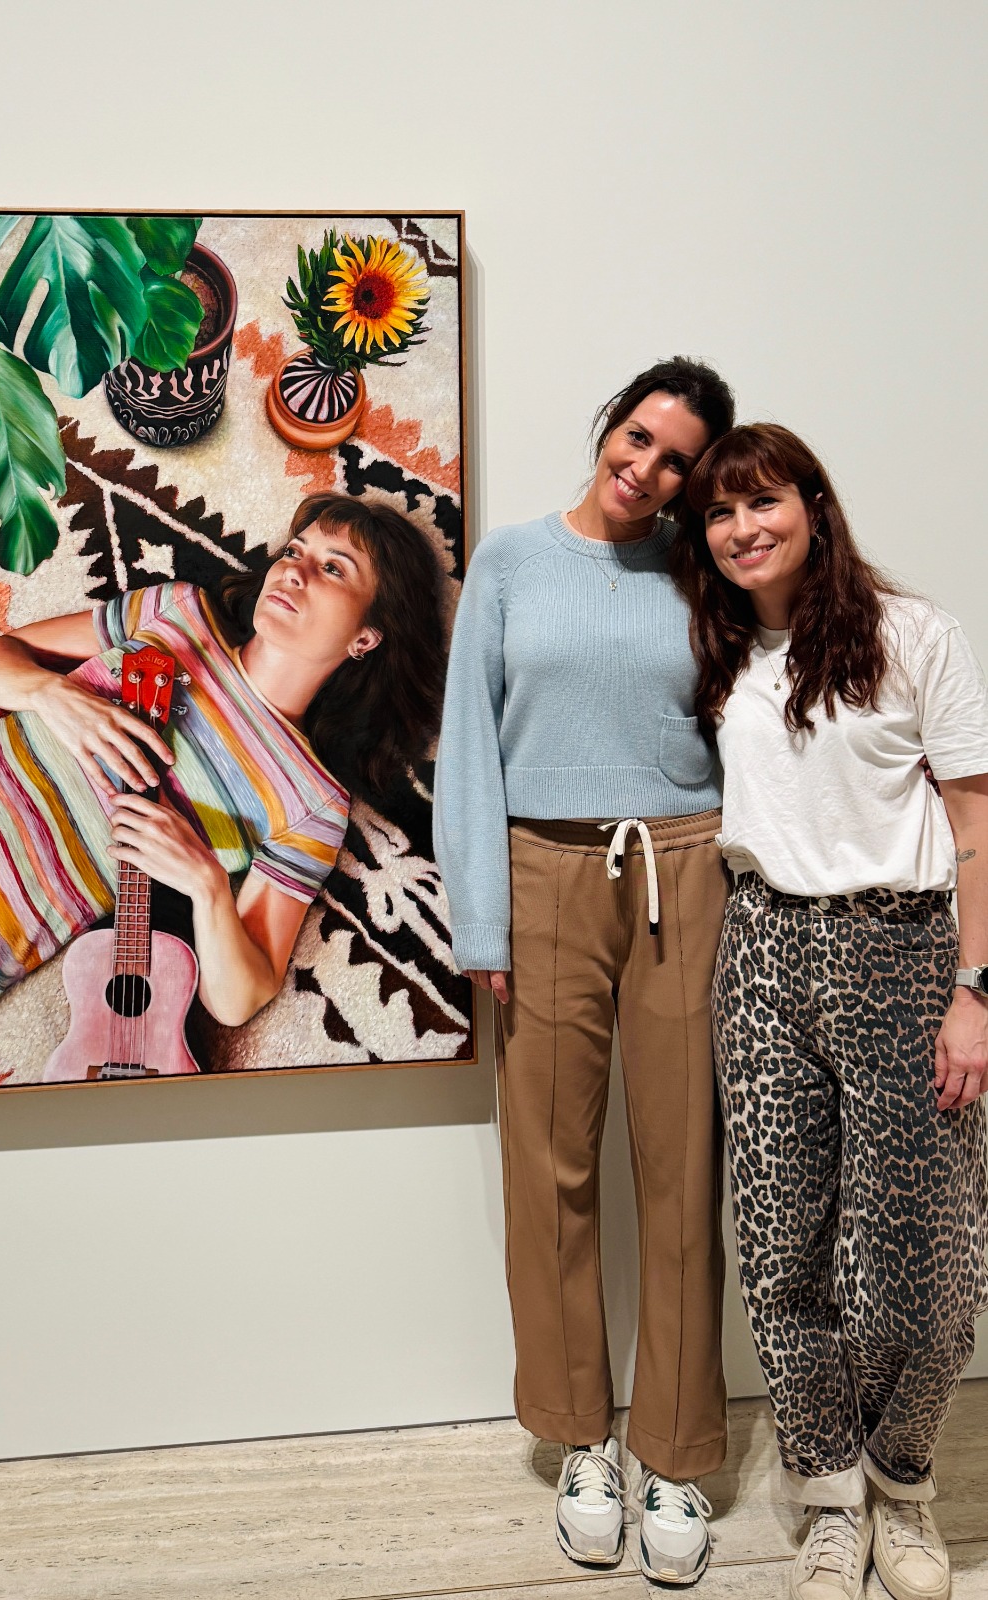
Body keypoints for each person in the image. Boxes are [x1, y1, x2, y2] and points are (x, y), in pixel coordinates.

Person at [434, 357, 736, 1586]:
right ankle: (578, 1440)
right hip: (542, 872)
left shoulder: (702, 571)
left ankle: (674, 1450)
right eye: (638, 436)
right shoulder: (509, 561)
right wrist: (482, 924)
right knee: (549, 1166)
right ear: (609, 424)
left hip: (684, 869)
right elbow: (467, 742)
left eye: (677, 461)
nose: (646, 468)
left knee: (682, 1164)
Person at [0, 492, 445, 1094]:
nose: (293, 571)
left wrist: (207, 884)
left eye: (333, 568)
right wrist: (54, 694)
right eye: (294, 551)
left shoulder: (313, 801)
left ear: (366, 638)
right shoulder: (177, 613)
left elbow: (239, 998)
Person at [674, 423, 988, 1600]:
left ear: (813, 504)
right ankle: (829, 1497)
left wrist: (974, 991)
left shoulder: (914, 634)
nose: (741, 529)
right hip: (761, 949)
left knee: (918, 1261)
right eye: (718, 513)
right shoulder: (723, 651)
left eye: (762, 502)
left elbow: (976, 825)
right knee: (781, 1248)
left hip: (902, 951)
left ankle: (903, 1482)